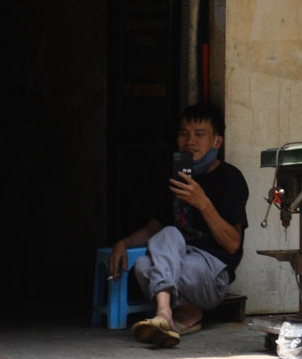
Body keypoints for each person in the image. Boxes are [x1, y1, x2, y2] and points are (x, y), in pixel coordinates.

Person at [107, 102, 250, 348]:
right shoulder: (175, 176)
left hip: (209, 271)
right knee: (142, 264)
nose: (190, 141)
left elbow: (232, 244)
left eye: (199, 134)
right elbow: (155, 228)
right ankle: (172, 313)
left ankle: (168, 312)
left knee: (165, 253)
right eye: (184, 134)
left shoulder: (230, 179)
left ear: (217, 142)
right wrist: (123, 243)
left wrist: (203, 203)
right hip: (175, 259)